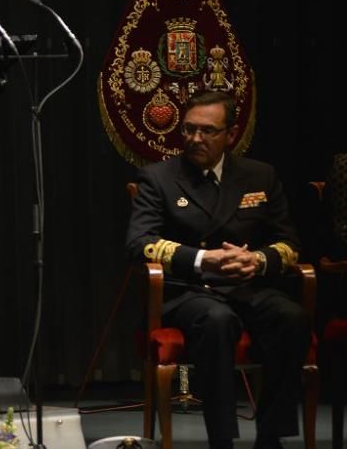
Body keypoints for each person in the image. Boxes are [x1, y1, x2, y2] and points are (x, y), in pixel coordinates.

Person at [126, 90, 310, 449]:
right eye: (190, 129)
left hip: (247, 285)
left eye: (208, 131)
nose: (196, 138)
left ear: (231, 133)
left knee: (293, 317)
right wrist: (201, 258)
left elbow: (289, 242)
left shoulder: (260, 175)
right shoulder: (159, 178)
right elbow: (139, 242)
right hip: (190, 291)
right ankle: (221, 439)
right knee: (216, 321)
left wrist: (257, 260)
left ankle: (271, 437)